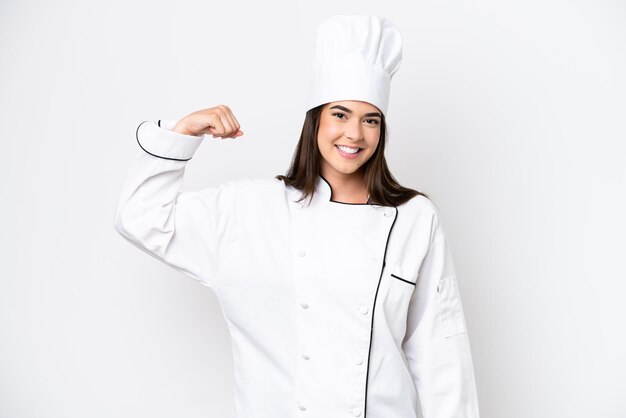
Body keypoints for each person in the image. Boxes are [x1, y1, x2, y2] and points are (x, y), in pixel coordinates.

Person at [114, 14, 480, 418]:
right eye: (340, 114)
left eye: (370, 120)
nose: (355, 134)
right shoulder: (248, 211)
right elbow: (140, 217)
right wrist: (182, 133)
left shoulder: (414, 219)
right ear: (316, 119)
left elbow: (442, 359)